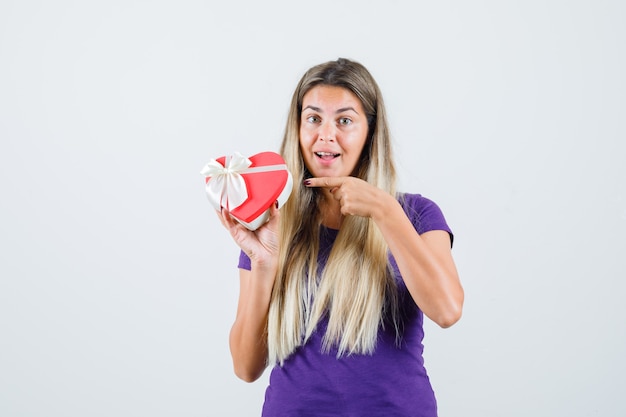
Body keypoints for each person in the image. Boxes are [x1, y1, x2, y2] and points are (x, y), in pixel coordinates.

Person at [217, 58, 464, 417]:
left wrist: (385, 211)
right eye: (313, 118)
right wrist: (264, 261)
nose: (326, 135)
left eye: (344, 120)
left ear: (370, 133)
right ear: (298, 128)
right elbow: (245, 367)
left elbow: (447, 311)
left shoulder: (416, 214)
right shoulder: (271, 222)